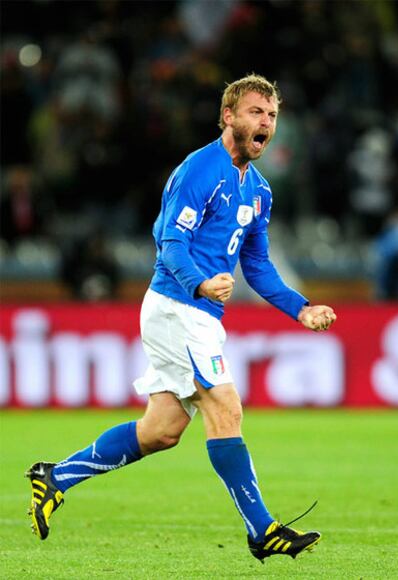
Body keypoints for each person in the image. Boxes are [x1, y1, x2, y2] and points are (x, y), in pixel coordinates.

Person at [26, 74, 336, 563]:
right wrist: (200, 282)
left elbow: (256, 265)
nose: (266, 123)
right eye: (256, 112)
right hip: (177, 306)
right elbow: (170, 243)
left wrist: (301, 307)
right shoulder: (200, 169)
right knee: (226, 408)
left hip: (199, 312)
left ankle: (55, 477)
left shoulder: (258, 190)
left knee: (162, 431)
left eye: (272, 115)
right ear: (228, 115)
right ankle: (263, 530)